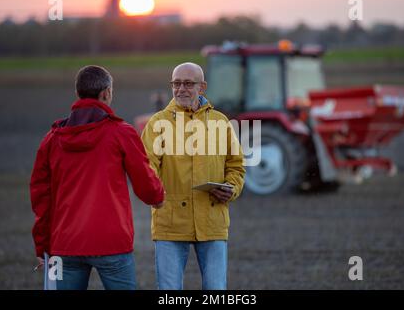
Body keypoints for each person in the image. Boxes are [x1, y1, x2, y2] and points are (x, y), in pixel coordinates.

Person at [30, 65, 164, 290]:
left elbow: (40, 199)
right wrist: (157, 197)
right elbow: (145, 181)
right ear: (106, 93)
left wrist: (42, 247)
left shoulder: (51, 140)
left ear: (78, 93)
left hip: (62, 246)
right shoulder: (121, 132)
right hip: (112, 244)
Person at [141, 62, 245, 290]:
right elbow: (146, 168)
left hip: (212, 218)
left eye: (188, 83)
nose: (181, 89)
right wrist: (159, 196)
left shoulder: (221, 122)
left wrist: (230, 188)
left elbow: (236, 166)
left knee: (216, 290)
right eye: (176, 83)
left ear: (203, 87)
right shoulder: (157, 123)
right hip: (170, 221)